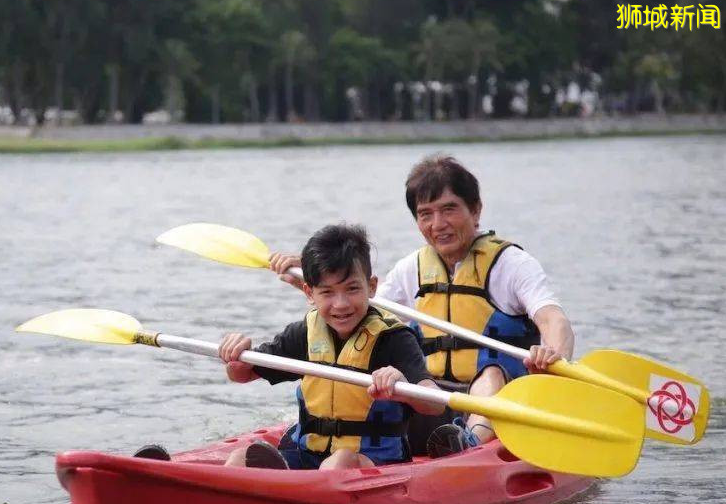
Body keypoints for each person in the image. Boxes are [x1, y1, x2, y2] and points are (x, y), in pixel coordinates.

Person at [269, 155, 575, 457]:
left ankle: (471, 446)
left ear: (476, 210)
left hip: (501, 401)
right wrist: (319, 277)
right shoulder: (411, 269)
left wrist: (553, 355)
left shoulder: (512, 265)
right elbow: (359, 312)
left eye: (449, 209)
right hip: (430, 397)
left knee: (491, 372)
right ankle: (319, 441)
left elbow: (553, 320)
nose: (437, 224)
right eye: (426, 214)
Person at [218, 223, 445, 470]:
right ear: (309, 293)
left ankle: (301, 487)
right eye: (327, 292)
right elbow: (242, 374)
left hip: (375, 460)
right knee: (241, 458)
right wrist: (234, 355)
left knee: (340, 460)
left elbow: (436, 403)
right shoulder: (304, 334)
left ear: (371, 286)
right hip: (308, 455)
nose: (341, 304)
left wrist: (403, 387)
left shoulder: (394, 338)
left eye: (352, 289)